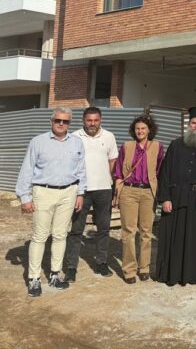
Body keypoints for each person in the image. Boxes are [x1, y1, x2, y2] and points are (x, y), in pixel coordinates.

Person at [15, 107, 86, 297]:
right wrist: (25, 197)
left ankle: (55, 274)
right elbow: (27, 169)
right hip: (43, 192)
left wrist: (80, 193)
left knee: (60, 235)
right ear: (51, 121)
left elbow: (81, 170)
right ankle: (34, 278)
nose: (61, 124)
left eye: (65, 121)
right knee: (39, 236)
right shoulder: (38, 142)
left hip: (69, 192)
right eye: (58, 120)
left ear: (70, 123)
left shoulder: (77, 142)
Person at [156, 106, 196, 286]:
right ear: (188, 124)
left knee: (194, 238)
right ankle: (172, 274)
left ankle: (192, 275)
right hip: (176, 199)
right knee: (174, 237)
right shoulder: (175, 145)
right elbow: (165, 173)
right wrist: (165, 198)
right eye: (194, 123)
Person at [64, 107, 119, 282]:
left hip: (104, 189)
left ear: (100, 120)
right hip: (81, 191)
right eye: (89, 120)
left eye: (96, 120)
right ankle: (71, 267)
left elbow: (112, 162)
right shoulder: (74, 137)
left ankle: (101, 262)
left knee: (103, 229)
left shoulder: (109, 136)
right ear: (83, 120)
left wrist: (114, 187)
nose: (92, 124)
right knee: (76, 230)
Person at [113, 113, 165, 284]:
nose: (140, 131)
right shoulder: (126, 146)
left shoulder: (157, 147)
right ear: (133, 130)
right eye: (137, 128)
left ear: (149, 130)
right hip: (129, 191)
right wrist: (117, 192)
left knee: (146, 232)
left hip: (148, 192)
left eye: (143, 128)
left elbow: (160, 170)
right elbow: (118, 171)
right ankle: (129, 269)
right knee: (128, 231)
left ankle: (144, 268)